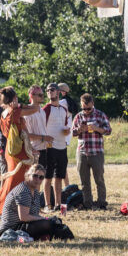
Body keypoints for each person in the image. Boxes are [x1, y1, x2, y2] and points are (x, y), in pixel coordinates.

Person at [0, 86, 39, 216]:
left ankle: (6, 207)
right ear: (14, 98)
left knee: (13, 179)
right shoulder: (15, 111)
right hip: (19, 151)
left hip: (10, 150)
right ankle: (3, 208)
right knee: (17, 180)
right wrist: (20, 105)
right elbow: (36, 108)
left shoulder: (3, 113)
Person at [72, 93, 112, 210]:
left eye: (88, 108)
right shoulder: (79, 116)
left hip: (97, 151)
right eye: (84, 108)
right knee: (84, 180)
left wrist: (97, 129)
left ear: (93, 104)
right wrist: (79, 130)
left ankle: (101, 203)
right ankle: (87, 203)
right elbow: (72, 132)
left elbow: (108, 130)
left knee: (99, 179)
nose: (86, 111)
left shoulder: (100, 115)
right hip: (82, 151)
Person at [0, 164, 54, 241]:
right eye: (35, 176)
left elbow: (33, 215)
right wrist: (42, 218)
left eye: (41, 177)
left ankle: (42, 236)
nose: (38, 179)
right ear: (28, 175)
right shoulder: (23, 191)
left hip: (23, 225)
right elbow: (24, 217)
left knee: (54, 221)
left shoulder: (35, 191)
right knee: (46, 224)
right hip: (11, 229)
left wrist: (44, 219)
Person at [43, 83, 70, 212]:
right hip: (49, 147)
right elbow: (41, 127)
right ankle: (48, 205)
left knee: (59, 177)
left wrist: (67, 132)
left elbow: (64, 126)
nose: (49, 92)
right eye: (47, 90)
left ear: (58, 92)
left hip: (62, 146)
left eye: (52, 90)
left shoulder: (64, 109)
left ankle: (58, 204)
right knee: (47, 177)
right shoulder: (46, 109)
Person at [24, 85, 53, 168]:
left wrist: (46, 140)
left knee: (41, 177)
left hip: (43, 149)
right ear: (31, 96)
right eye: (40, 95)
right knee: (33, 178)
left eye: (42, 95)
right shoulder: (27, 112)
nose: (42, 97)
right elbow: (26, 136)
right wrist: (44, 138)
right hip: (33, 150)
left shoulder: (42, 111)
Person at [58, 83, 78, 186]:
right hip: (66, 135)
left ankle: (66, 186)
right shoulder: (69, 102)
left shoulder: (61, 103)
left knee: (60, 164)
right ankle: (67, 186)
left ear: (62, 92)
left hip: (60, 135)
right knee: (62, 163)